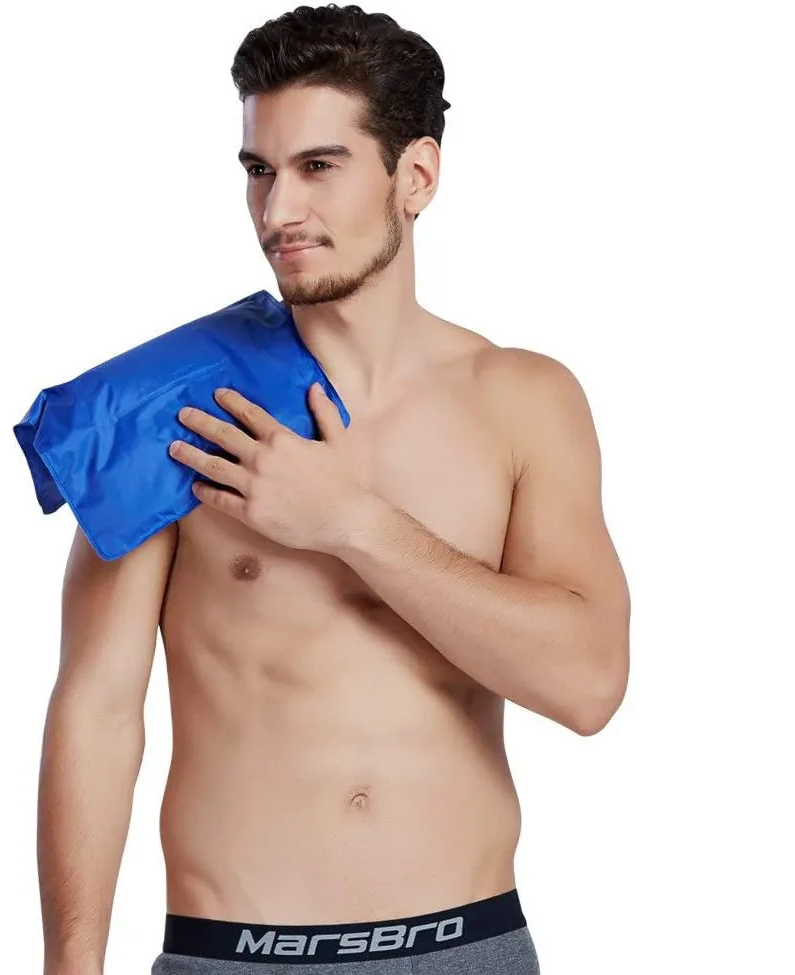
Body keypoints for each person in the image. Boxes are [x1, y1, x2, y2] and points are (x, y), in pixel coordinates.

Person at [36, 5, 631, 974]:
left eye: (319, 166)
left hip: (466, 946)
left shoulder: (522, 401)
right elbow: (97, 709)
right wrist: (71, 963)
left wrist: (352, 523)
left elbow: (588, 683)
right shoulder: (176, 409)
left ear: (416, 176)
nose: (278, 212)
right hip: (232, 952)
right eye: (258, 171)